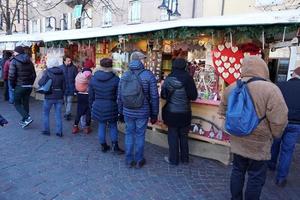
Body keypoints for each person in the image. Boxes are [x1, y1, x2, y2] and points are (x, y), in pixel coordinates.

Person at [218, 56, 288, 200]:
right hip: (260, 144)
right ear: (263, 69)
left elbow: (222, 113)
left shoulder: (232, 87)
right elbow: (279, 119)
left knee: (237, 171)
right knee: (256, 177)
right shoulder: (271, 89)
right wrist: (276, 135)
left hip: (238, 140)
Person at [118, 51, 159, 168]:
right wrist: (154, 114)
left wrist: (120, 111)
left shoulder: (125, 75)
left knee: (129, 134)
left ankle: (129, 160)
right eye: (143, 59)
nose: (144, 61)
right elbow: (154, 96)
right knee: (140, 135)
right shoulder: (148, 75)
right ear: (139, 60)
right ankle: (139, 160)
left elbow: (119, 95)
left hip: (127, 111)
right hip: (143, 111)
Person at [161, 58, 198, 165]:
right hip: (185, 112)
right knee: (184, 136)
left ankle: (173, 159)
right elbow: (194, 96)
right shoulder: (188, 78)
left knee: (172, 135)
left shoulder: (168, 79)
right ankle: (185, 158)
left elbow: (163, 95)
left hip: (171, 112)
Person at [268, 66, 300, 187]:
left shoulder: (280, 86)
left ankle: (271, 165)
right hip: (296, 124)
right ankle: (281, 178)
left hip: (280, 121)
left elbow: (273, 103)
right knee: (287, 151)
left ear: (293, 75)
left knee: (275, 144)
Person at [89, 58, 124, 154]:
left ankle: (103, 145)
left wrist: (91, 106)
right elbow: (119, 96)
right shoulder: (116, 79)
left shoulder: (93, 78)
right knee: (113, 126)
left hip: (98, 105)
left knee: (101, 125)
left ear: (100, 66)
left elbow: (91, 96)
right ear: (111, 66)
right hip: (111, 105)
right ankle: (115, 146)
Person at [8, 46, 36, 128]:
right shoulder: (29, 61)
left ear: (17, 52)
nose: (14, 53)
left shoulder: (14, 61)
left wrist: (13, 86)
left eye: (14, 51)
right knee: (25, 103)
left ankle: (27, 117)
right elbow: (34, 74)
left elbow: (11, 76)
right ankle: (25, 120)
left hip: (19, 85)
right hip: (29, 86)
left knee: (16, 103)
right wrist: (30, 83)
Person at [39, 57, 65, 137]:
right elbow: (64, 86)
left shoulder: (47, 72)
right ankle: (59, 132)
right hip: (59, 96)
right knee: (58, 114)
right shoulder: (62, 72)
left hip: (49, 96)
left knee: (46, 113)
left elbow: (40, 83)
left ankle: (46, 130)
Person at [72, 66, 93, 134]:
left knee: (79, 111)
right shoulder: (89, 78)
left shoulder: (78, 77)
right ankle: (87, 128)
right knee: (88, 112)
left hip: (80, 95)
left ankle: (75, 127)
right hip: (87, 95)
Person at [60, 56, 78, 120]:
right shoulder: (60, 68)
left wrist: (76, 87)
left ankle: (67, 113)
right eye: (68, 61)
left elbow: (77, 77)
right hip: (63, 87)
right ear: (64, 61)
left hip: (71, 87)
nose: (70, 62)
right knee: (65, 101)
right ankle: (67, 111)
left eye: (70, 60)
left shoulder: (74, 68)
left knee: (69, 101)